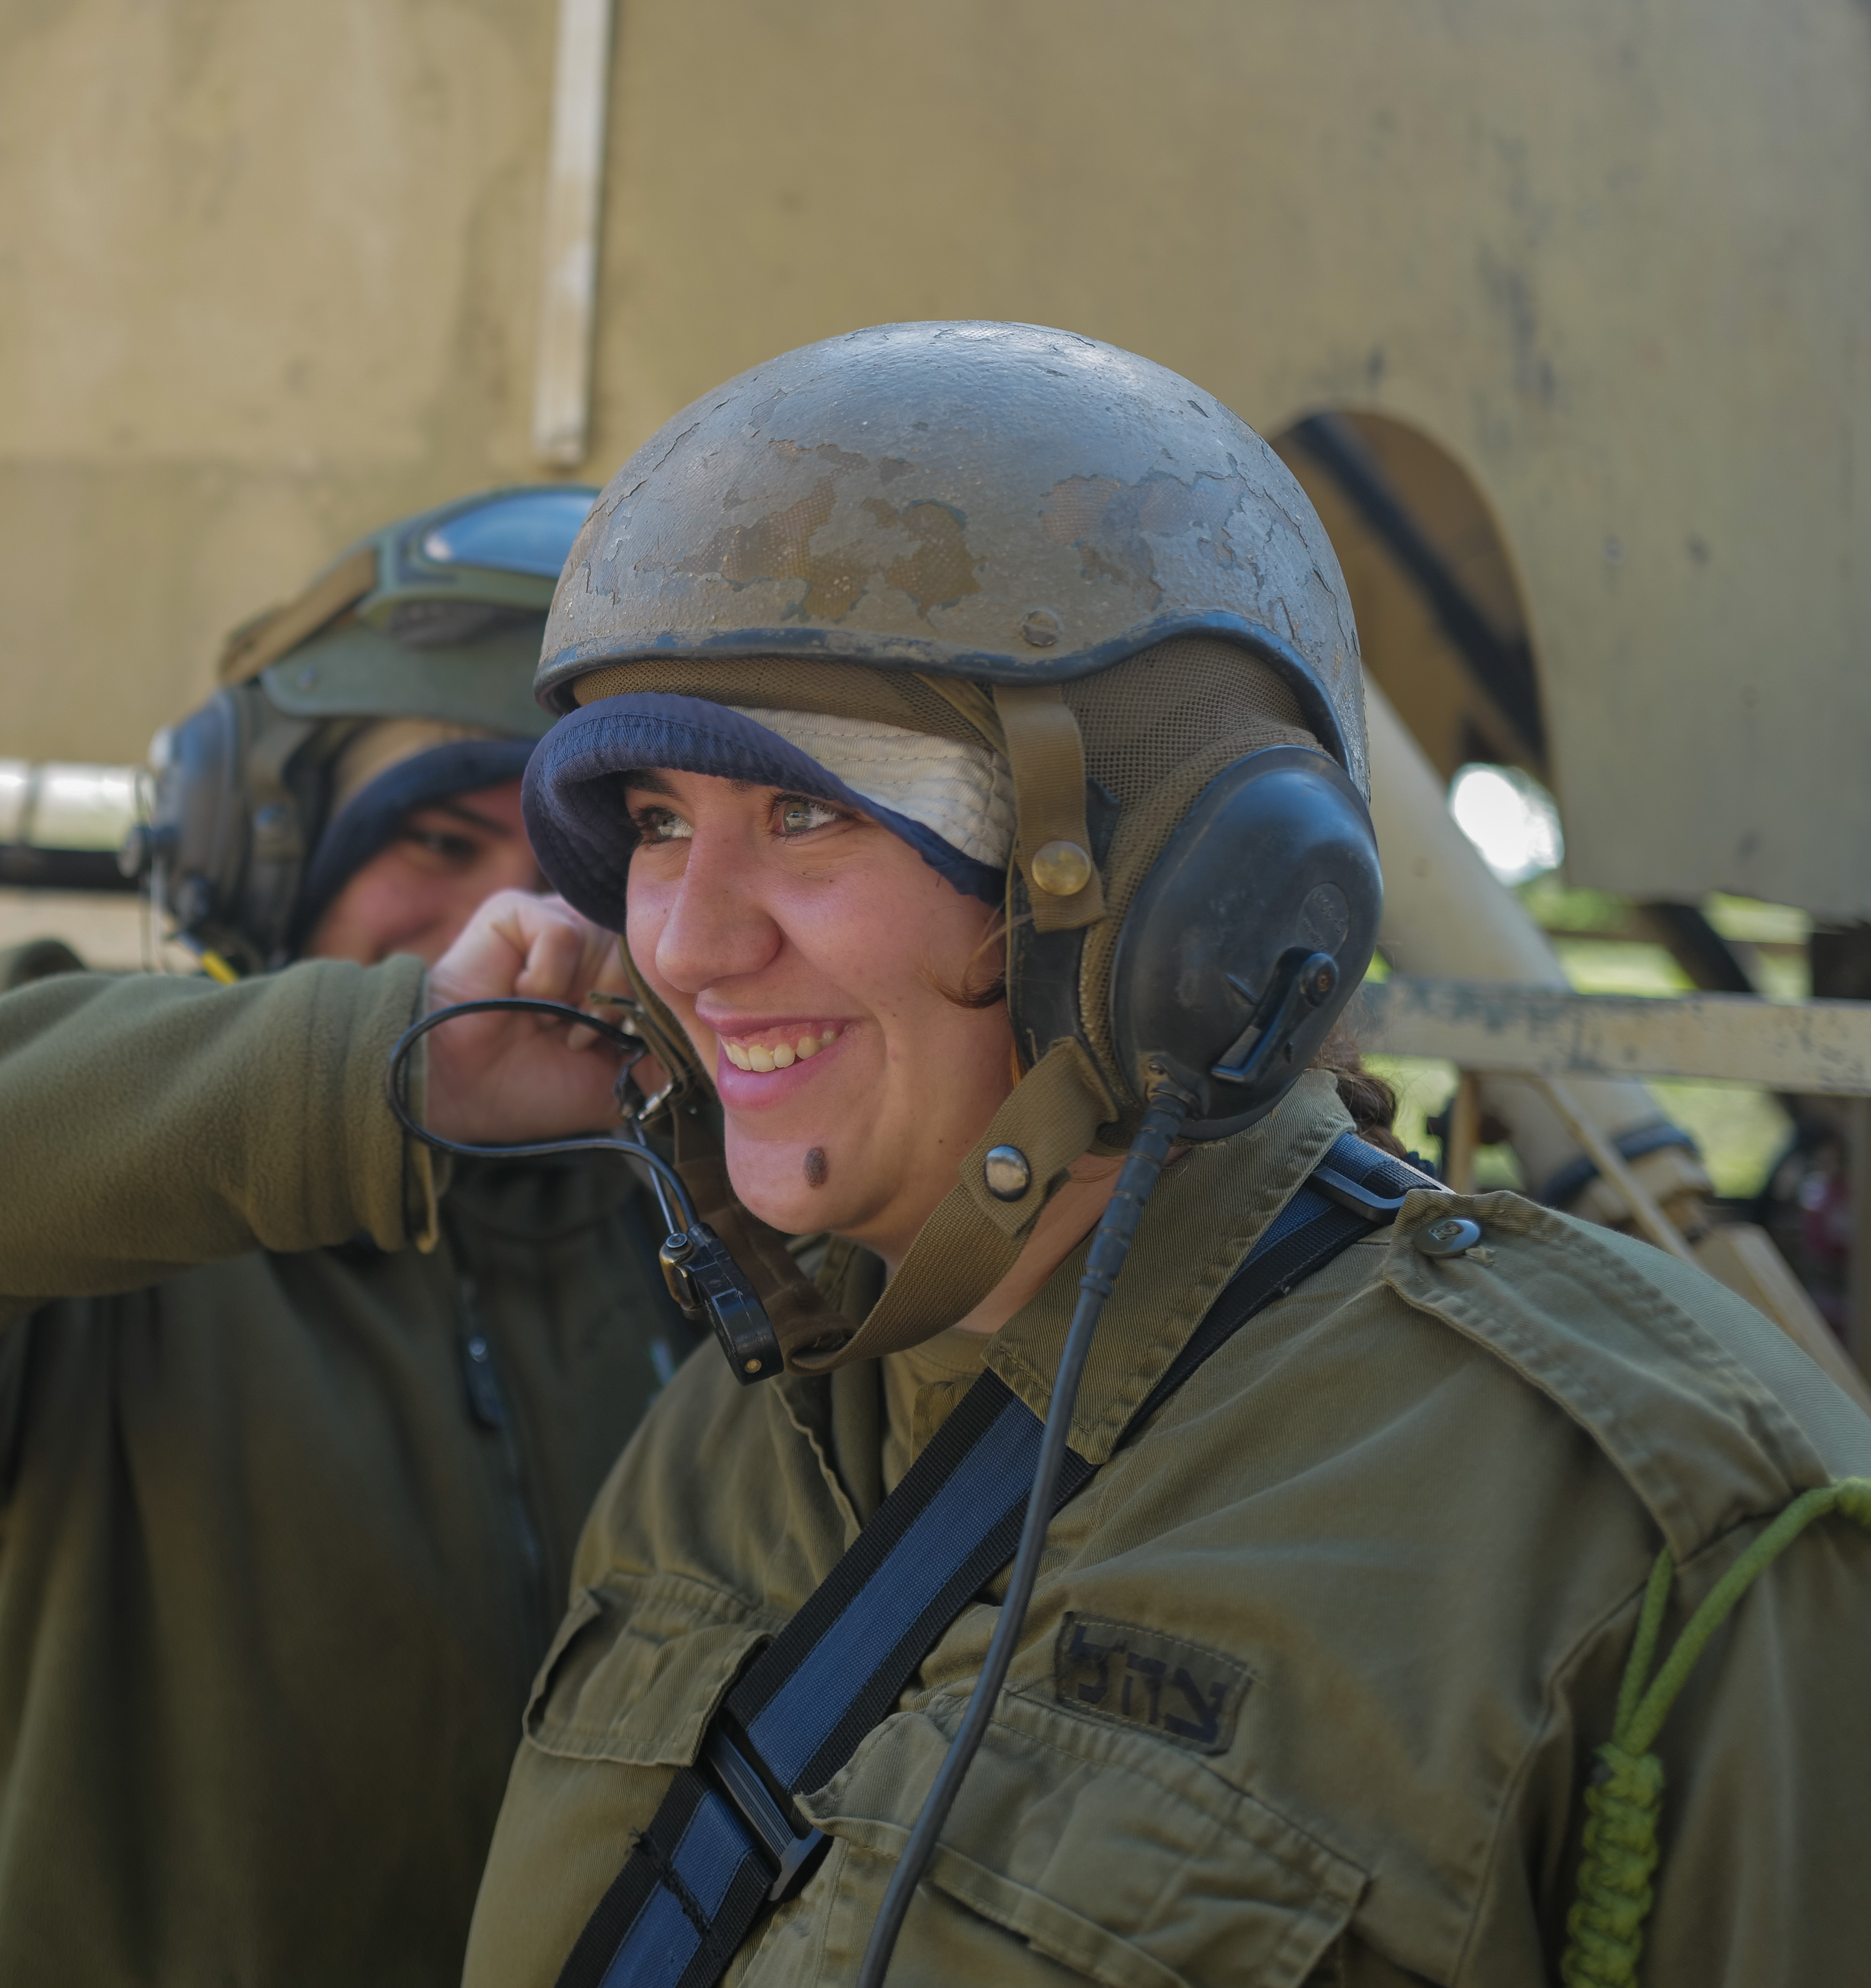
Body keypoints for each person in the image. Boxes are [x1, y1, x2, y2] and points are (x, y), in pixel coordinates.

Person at [407, 322, 1871, 1986]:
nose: (682, 939)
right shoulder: (735, 1435)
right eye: (658, 823)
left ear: (1181, 891)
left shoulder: (1643, 1534)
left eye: (804, 813)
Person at [0, 490, 698, 1988]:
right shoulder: (129, 1253)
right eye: (436, 834)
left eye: (574, 867)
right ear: (264, 858)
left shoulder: (709, 1237)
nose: (514, 918)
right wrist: (394, 1060)